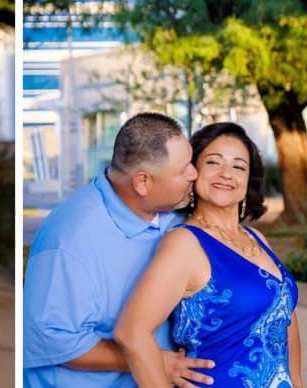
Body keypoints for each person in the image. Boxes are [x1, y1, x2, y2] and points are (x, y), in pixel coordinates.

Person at [24, 112, 216, 387]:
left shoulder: (174, 216)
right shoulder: (69, 240)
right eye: (183, 169)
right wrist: (153, 359)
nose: (194, 174)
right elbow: (50, 337)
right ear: (142, 182)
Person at [114, 122, 303, 388]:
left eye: (239, 166)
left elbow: (285, 319)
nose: (227, 173)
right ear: (193, 171)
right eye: (214, 162)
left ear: (248, 180)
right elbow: (131, 332)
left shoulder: (256, 239)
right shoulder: (184, 243)